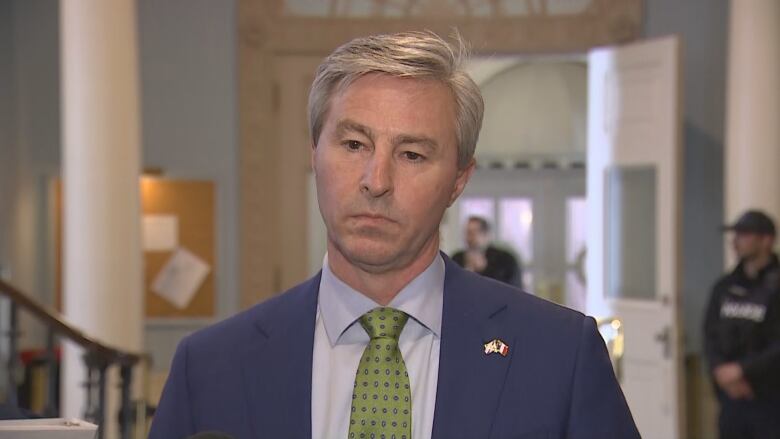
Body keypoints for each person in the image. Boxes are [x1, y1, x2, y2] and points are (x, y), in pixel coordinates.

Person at [149, 31, 638, 439]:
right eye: (354, 144)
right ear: (314, 154)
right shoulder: (210, 368)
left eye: (412, 154)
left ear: (459, 181)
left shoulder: (559, 356)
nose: (376, 180)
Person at [704, 210, 780, 439]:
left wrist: (742, 370)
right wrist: (720, 371)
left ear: (767, 240)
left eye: (744, 234)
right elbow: (710, 334)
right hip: (731, 401)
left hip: (769, 401)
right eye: (734, 234)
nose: (735, 240)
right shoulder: (724, 286)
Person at [451, 216, 523, 287]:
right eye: (467, 233)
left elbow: (511, 290)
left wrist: (483, 270)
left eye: (473, 233)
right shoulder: (457, 259)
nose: (469, 238)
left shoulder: (505, 260)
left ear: (486, 234)